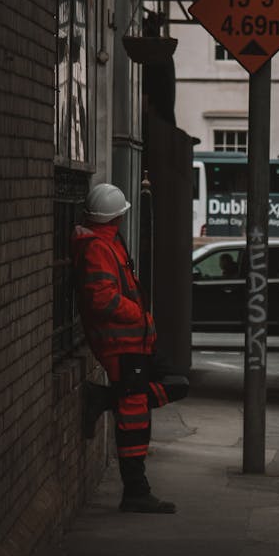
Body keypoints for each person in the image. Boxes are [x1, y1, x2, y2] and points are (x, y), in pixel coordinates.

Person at [71, 182, 189, 514]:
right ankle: (136, 490)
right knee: (134, 413)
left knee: (174, 385)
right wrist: (138, 314)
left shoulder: (108, 244)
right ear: (116, 217)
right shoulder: (98, 247)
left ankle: (105, 398)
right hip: (121, 345)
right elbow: (101, 298)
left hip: (135, 342)